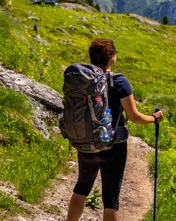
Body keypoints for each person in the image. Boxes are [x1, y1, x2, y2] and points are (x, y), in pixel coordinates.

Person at [67, 38, 164, 221]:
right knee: (111, 199)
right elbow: (134, 117)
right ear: (112, 57)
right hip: (113, 146)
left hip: (86, 141)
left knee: (81, 187)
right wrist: (154, 118)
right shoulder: (119, 82)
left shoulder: (82, 80)